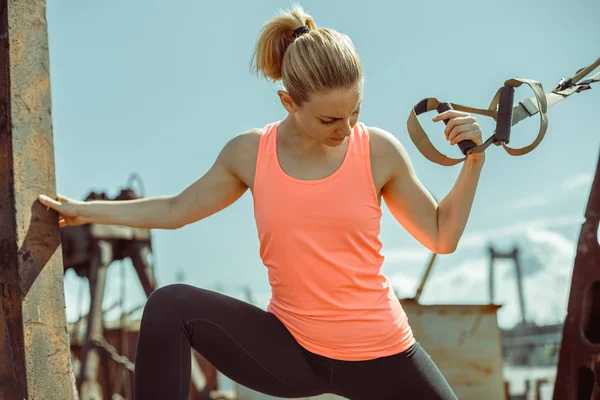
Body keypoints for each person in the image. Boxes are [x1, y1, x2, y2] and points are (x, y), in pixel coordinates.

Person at [39, 5, 486, 400]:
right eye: (330, 119)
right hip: (292, 353)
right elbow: (175, 210)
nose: (346, 129)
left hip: (383, 354)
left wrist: (473, 161)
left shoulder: (379, 152)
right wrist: (83, 212)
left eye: (355, 112)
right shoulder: (252, 153)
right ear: (289, 102)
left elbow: (442, 235)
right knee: (169, 305)